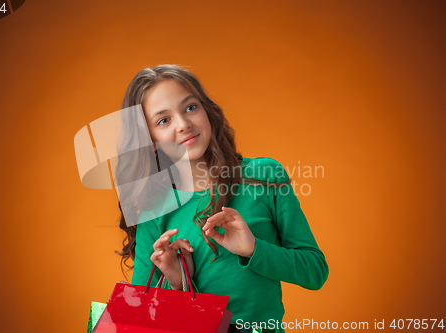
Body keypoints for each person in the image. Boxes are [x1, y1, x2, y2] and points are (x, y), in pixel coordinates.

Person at [115, 64, 329, 333]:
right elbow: (137, 318)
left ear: (207, 111)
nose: (184, 124)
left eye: (190, 107)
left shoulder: (263, 174)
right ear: (150, 141)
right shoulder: (153, 207)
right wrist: (179, 282)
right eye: (163, 120)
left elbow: (315, 271)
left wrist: (254, 249)